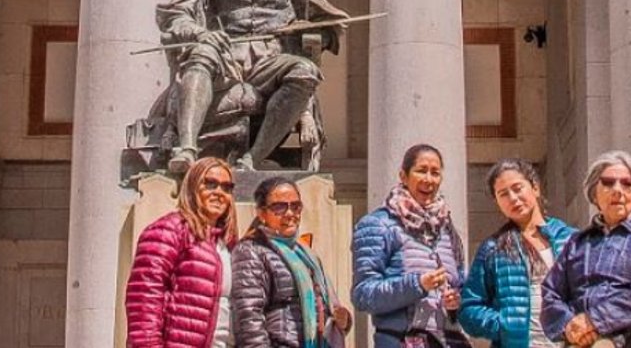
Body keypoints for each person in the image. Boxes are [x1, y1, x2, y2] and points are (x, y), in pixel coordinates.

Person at [155, 0, 348, 174]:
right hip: (225, 57)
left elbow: (329, 23)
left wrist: (310, 30)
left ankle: (253, 158)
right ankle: (187, 149)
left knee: (304, 71)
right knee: (201, 53)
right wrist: (199, 33)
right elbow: (174, 14)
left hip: (271, 61)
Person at [541, 151, 631, 348]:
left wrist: (595, 321)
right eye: (608, 183)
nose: (618, 190)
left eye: (627, 184)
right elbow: (551, 293)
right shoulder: (578, 243)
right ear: (594, 194)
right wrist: (570, 326)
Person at [352, 143, 468, 348]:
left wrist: (456, 302)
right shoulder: (377, 225)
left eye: (435, 173)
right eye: (421, 171)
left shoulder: (447, 228)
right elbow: (363, 294)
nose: (428, 179)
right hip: (401, 340)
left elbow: (461, 283)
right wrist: (417, 284)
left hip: (448, 340)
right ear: (403, 176)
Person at [460, 158, 576, 348]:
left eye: (517, 188)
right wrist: (505, 324)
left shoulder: (571, 239)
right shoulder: (493, 248)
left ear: (535, 188)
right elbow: (468, 310)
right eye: (503, 194)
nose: (513, 198)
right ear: (497, 202)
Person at [125, 156, 239, 348]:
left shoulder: (228, 244)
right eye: (211, 184)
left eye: (226, 187)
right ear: (193, 186)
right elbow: (144, 303)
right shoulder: (168, 231)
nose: (219, 192)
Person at [232, 176, 352, 348]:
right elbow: (248, 319)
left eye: (295, 206)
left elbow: (324, 306)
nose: (290, 213)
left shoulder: (305, 254)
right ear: (261, 213)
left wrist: (343, 320)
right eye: (279, 207)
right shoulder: (251, 251)